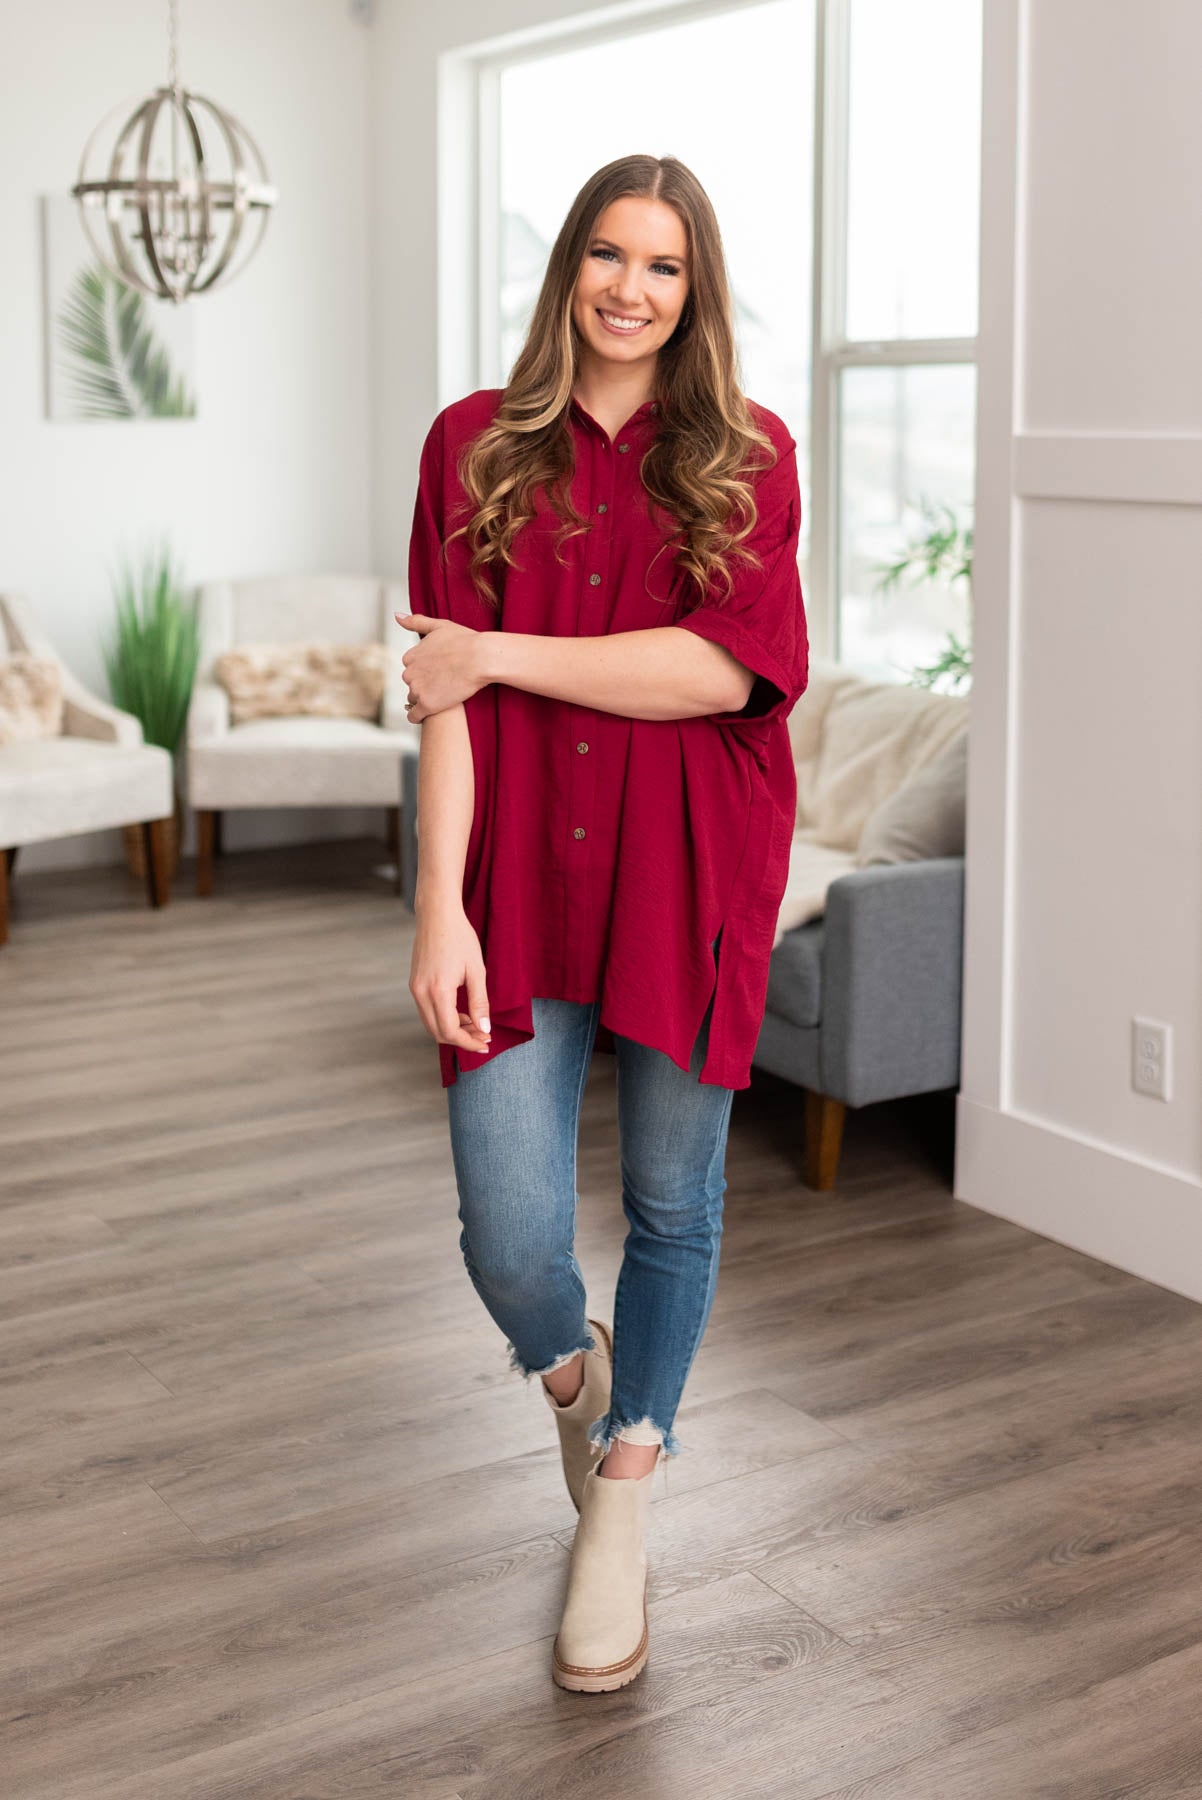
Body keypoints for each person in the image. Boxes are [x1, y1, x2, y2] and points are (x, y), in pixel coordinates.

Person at [397, 153, 808, 1693]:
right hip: (512, 877)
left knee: (671, 1203)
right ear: (569, 264)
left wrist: (498, 649)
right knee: (506, 1236)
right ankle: (577, 1381)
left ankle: (628, 1479)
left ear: (695, 292)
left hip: (689, 871)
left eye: (667, 267)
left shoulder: (747, 453)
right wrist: (438, 909)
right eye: (609, 257)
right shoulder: (470, 449)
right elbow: (441, 703)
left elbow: (723, 675)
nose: (632, 291)